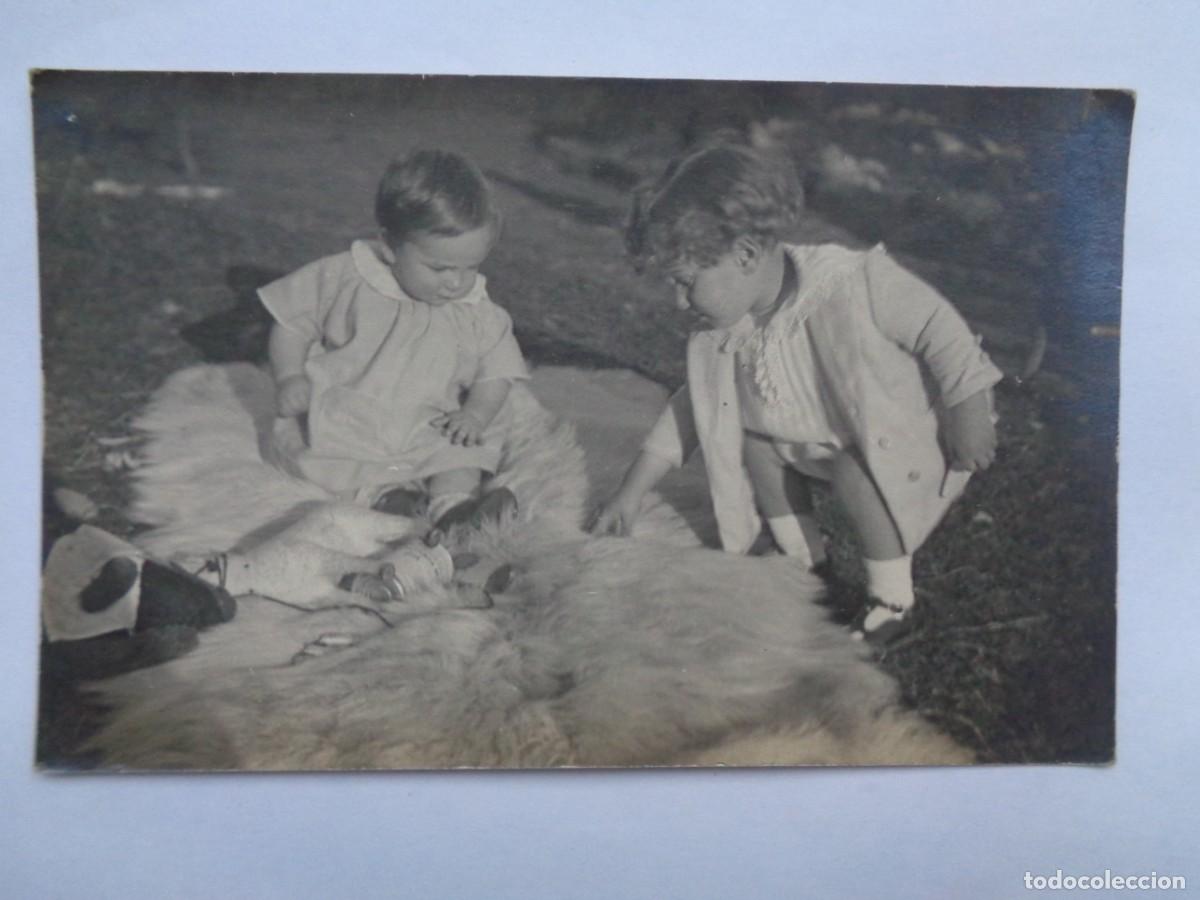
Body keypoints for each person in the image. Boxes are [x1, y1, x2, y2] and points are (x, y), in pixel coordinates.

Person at [591, 142, 1003, 644]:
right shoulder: (729, 327)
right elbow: (691, 410)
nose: (679, 302)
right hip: (814, 442)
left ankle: (892, 599)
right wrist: (631, 491)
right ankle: (807, 568)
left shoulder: (852, 283)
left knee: (854, 469)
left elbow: (940, 329)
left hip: (898, 441)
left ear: (744, 255)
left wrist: (969, 407)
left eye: (685, 283)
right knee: (757, 445)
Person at [261, 149, 527, 529]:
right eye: (438, 267)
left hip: (430, 419)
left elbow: (497, 369)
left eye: (471, 267)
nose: (455, 282)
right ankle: (390, 502)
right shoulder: (347, 277)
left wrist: (475, 414)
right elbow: (290, 320)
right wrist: (289, 375)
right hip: (352, 414)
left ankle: (455, 511)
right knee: (331, 461)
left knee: (461, 454)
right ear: (389, 246)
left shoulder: (475, 308)